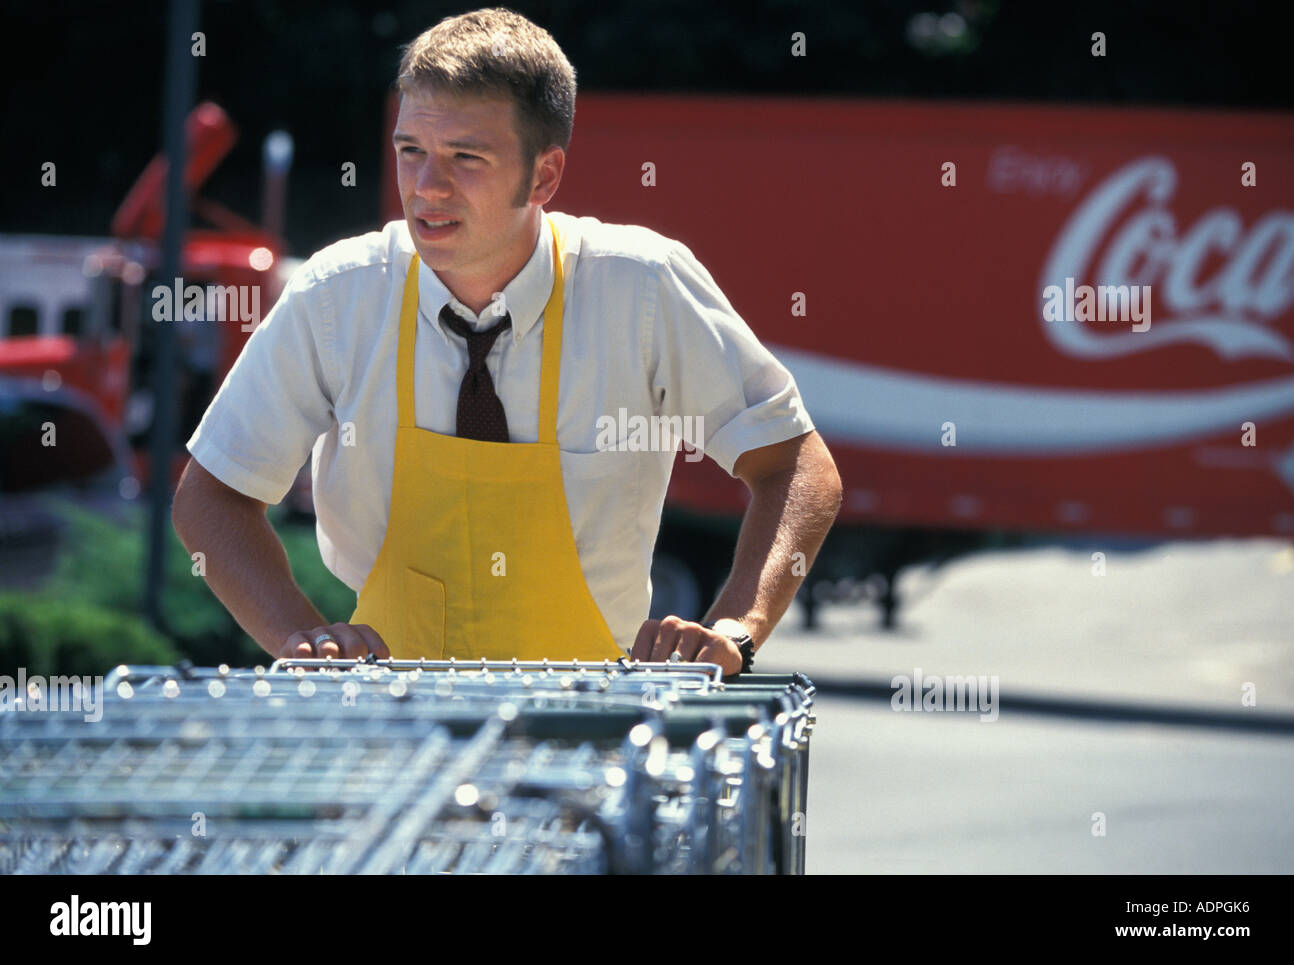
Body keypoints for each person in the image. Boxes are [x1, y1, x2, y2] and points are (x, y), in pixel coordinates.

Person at [172, 7, 842, 676]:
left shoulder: (641, 287)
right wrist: (301, 638)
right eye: (412, 151)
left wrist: (738, 627)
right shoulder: (338, 294)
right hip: (386, 726)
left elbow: (796, 466)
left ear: (544, 176)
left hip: (596, 728)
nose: (427, 187)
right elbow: (210, 495)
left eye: (467, 157)